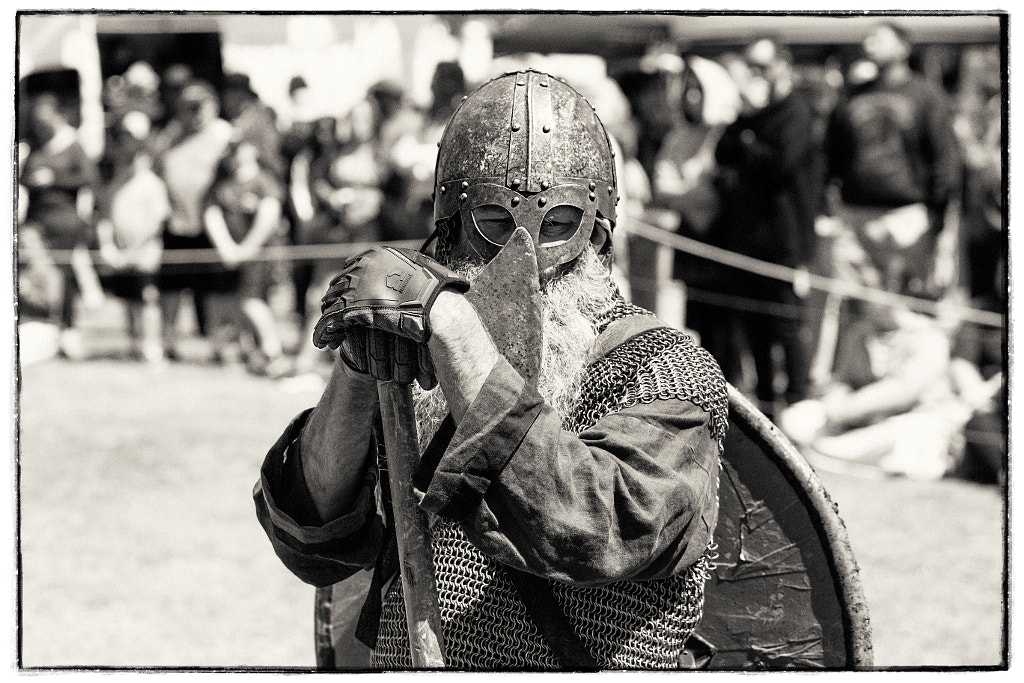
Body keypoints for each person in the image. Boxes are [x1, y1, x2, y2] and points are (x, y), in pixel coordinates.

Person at [254, 70, 727, 670]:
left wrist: (456, 328)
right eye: (495, 225)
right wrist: (359, 369)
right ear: (450, 230)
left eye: (557, 224)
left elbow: (599, 526)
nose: (524, 252)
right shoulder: (422, 374)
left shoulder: (663, 368)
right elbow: (310, 539)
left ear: (599, 231)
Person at [711, 39, 823, 415]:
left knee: (786, 324)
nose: (758, 75)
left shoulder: (796, 112)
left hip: (784, 239)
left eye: (764, 66)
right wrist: (744, 123)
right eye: (752, 67)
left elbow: (779, 164)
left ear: (783, 65)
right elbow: (722, 152)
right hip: (747, 238)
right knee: (754, 325)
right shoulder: (751, 115)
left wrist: (747, 141)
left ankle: (798, 400)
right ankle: (765, 402)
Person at [822, 21, 962, 299]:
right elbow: (831, 153)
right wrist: (828, 206)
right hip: (855, 215)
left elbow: (944, 158)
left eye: (880, 38)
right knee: (856, 305)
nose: (870, 43)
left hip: (907, 218)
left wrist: (937, 217)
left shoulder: (925, 95)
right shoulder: (852, 96)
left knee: (910, 305)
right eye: (868, 37)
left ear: (903, 47)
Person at [152, 80, 234, 360]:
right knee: (172, 286)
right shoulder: (173, 134)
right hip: (176, 222)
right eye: (189, 107)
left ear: (213, 105)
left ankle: (218, 344)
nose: (195, 112)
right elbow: (156, 163)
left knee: (215, 289)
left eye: (200, 106)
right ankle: (167, 342)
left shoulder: (224, 134)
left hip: (212, 223)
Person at [19, 92, 104, 356]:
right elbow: (23, 178)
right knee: (35, 274)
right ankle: (40, 325)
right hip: (36, 224)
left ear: (57, 116)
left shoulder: (73, 146)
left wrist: (53, 178)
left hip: (65, 224)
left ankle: (67, 329)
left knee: (64, 278)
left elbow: (90, 179)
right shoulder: (36, 147)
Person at [202, 140, 291, 377]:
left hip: (260, 254)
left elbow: (269, 215)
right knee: (234, 304)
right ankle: (252, 354)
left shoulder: (264, 181)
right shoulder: (222, 184)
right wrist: (227, 248)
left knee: (251, 302)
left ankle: (274, 352)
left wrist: (248, 248)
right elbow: (212, 214)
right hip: (229, 256)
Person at [95, 137, 170, 364]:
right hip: (121, 253)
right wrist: (109, 247)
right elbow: (104, 218)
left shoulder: (153, 184)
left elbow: (157, 222)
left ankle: (151, 345)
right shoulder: (116, 183)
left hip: (145, 254)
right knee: (128, 299)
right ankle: (134, 343)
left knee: (147, 299)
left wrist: (134, 251)